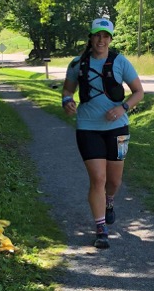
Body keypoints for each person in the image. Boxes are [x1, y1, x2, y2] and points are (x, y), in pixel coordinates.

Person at [61, 18, 144, 249]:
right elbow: (67, 90)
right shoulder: (77, 63)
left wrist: (123, 108)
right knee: (98, 178)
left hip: (119, 129)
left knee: (114, 181)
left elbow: (138, 92)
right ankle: (101, 229)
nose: (101, 40)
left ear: (110, 39)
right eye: (97, 35)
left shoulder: (120, 62)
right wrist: (67, 101)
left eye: (105, 36)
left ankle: (109, 201)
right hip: (87, 128)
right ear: (90, 37)